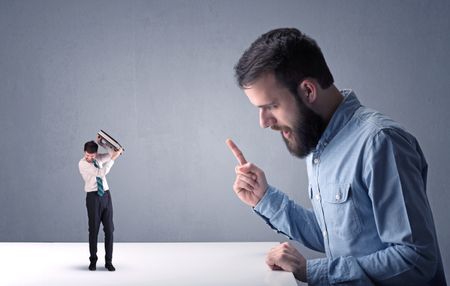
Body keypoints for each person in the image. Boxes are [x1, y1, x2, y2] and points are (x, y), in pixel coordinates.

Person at [228, 28, 446, 285]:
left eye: (271, 106)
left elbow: (416, 260)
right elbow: (334, 234)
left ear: (308, 91)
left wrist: (311, 271)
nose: (263, 122)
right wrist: (264, 198)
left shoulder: (381, 142)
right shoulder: (319, 142)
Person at [78, 136, 122, 271]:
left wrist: (101, 143)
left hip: (106, 196)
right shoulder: (83, 164)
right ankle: (93, 261)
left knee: (109, 230)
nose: (89, 158)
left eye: (92, 155)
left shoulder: (98, 158)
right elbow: (101, 172)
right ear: (84, 152)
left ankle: (108, 261)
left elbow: (111, 153)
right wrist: (114, 159)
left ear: (95, 154)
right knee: (94, 231)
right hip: (93, 198)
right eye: (87, 154)